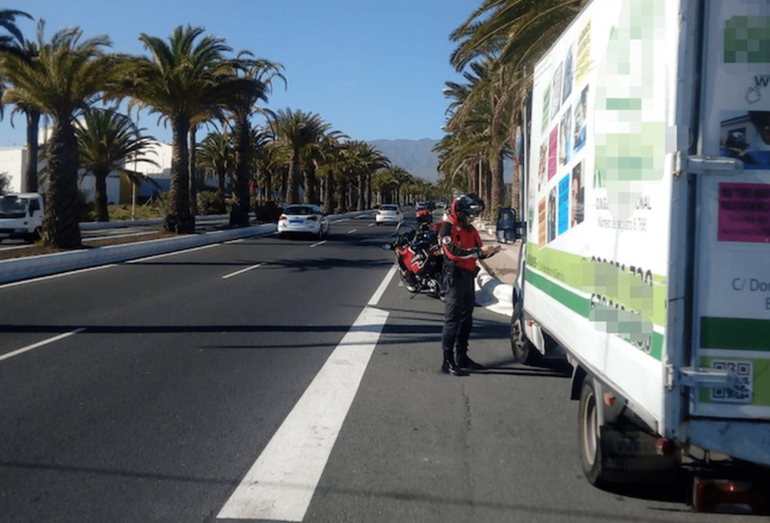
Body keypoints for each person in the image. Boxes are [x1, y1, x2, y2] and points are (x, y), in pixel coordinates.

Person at [438, 194, 500, 376]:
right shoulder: (447, 229)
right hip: (455, 280)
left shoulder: (470, 229)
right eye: (470, 215)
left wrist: (490, 252)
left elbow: (477, 251)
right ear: (460, 212)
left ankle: (462, 356)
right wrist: (477, 252)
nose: (473, 218)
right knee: (452, 321)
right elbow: (453, 253)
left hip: (468, 279)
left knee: (466, 320)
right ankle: (447, 360)